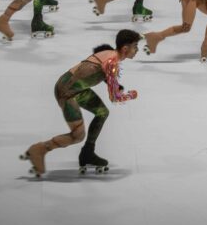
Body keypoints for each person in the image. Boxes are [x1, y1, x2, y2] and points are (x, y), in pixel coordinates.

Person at [21, 29, 141, 177]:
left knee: (102, 113)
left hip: (75, 89)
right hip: (66, 92)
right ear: (125, 48)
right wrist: (131, 95)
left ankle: (87, 153)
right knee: (77, 135)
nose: (137, 50)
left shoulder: (109, 54)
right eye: (135, 46)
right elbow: (115, 97)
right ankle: (39, 149)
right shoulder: (112, 62)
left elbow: (98, 70)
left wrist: (114, 84)